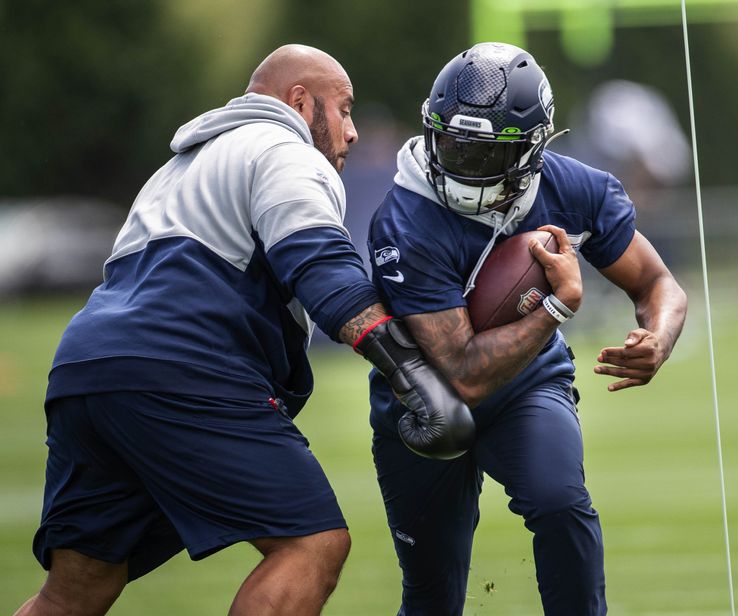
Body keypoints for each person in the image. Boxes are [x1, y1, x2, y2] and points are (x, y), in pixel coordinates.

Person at [15, 44, 472, 616]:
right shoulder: (286, 149)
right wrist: (417, 378)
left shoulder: (172, 171)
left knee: (73, 593)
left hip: (85, 369)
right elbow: (323, 270)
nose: (352, 133)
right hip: (183, 365)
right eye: (345, 110)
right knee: (311, 545)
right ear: (301, 104)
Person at [367, 42, 688, 615]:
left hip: (526, 389)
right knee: (432, 594)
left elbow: (659, 284)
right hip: (421, 400)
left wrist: (659, 336)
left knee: (560, 503)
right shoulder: (405, 219)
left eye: (484, 153)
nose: (461, 164)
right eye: (453, 145)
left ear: (533, 148)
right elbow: (461, 375)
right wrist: (558, 305)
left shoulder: (573, 188)